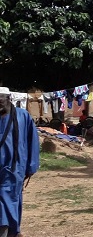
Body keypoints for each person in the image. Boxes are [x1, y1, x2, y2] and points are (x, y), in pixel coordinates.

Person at [0, 87, 40, 237]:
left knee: (9, 201)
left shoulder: (23, 116)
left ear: (8, 99)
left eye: (1, 101)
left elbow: (32, 142)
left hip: (13, 170)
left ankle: (11, 231)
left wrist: (31, 166)